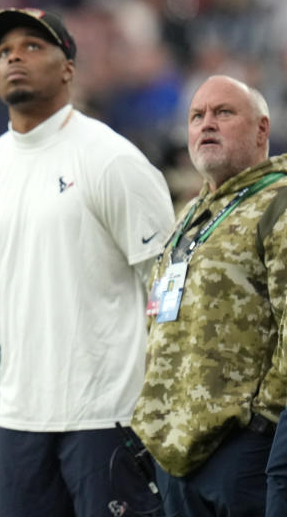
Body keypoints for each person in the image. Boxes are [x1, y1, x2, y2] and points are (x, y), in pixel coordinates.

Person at [0, 7, 175, 516]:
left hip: (107, 413)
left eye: (33, 46)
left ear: (68, 68)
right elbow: (1, 286)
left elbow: (166, 284)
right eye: (5, 50)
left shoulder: (110, 159)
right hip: (20, 414)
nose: (15, 57)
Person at [132, 75, 287, 516]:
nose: (207, 124)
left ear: (262, 129)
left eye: (224, 112)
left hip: (240, 448)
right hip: (174, 451)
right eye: (197, 116)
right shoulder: (191, 214)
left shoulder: (279, 202)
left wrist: (262, 421)